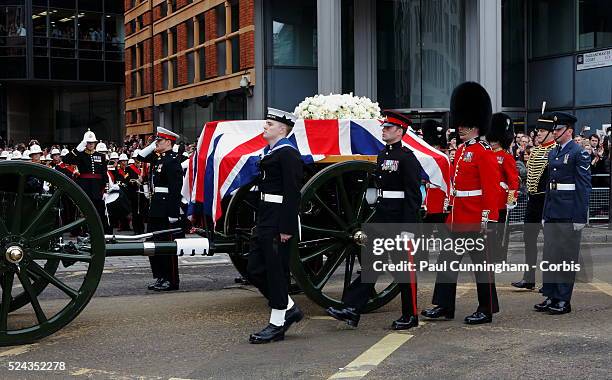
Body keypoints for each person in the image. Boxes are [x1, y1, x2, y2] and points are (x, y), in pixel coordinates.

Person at [326, 111, 423, 330]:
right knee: (371, 265)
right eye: (384, 127)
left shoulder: (407, 157)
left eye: (388, 128)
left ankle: (411, 315)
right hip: (381, 216)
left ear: (399, 131)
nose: (384, 130)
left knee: (403, 269)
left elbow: (413, 196)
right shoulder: (383, 155)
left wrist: (408, 227)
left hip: (399, 220)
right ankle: (351, 308)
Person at [421, 82, 501, 325]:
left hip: (476, 218)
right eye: (460, 124)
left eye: (465, 125)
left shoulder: (483, 152)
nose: (460, 128)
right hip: (457, 218)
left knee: (482, 267)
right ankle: (444, 305)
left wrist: (488, 219)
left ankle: (486, 309)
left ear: (477, 126)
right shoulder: (463, 151)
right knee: (447, 262)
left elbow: (491, 189)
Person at [246, 108, 304, 344]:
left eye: (269, 124)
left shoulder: (288, 154)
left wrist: (286, 227)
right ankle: (290, 307)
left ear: (282, 129)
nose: (265, 126)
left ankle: (277, 323)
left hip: (279, 219)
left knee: (277, 273)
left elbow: (292, 193)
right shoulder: (272, 153)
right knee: (255, 270)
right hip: (266, 217)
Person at [535, 112, 591, 315]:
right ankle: (550, 294)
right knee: (550, 256)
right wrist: (544, 213)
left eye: (558, 130)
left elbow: (583, 187)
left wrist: (580, 216)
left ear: (568, 131)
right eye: (554, 130)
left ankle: (563, 299)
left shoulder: (579, 152)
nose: (555, 133)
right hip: (553, 211)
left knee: (566, 257)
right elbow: (550, 185)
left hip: (568, 213)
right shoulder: (554, 152)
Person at [511, 115, 557, 290]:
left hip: (547, 200)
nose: (538, 133)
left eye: (543, 131)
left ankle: (549, 282)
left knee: (549, 244)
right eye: (538, 130)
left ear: (552, 134)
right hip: (533, 200)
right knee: (529, 241)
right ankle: (528, 278)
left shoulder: (555, 150)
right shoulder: (536, 150)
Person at [137, 128, 184, 292]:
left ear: (169, 142)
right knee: (152, 244)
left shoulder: (172, 160)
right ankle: (160, 276)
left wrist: (173, 214)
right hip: (155, 207)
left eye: (160, 141)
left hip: (165, 210)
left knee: (167, 246)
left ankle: (171, 279)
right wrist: (153, 146)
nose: (157, 143)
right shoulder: (159, 159)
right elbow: (139, 156)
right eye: (156, 141)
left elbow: (175, 189)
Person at [62, 129, 111, 234]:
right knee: (86, 210)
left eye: (92, 142)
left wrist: (106, 190)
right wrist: (79, 148)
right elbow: (66, 160)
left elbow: (104, 173)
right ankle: (85, 231)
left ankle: (100, 232)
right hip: (85, 186)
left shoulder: (101, 156)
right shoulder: (80, 155)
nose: (91, 144)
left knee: (99, 211)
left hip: (98, 187)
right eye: (88, 142)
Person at [486, 113, 519, 262]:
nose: (492, 142)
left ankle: (499, 257)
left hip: (500, 201)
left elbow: (513, 181)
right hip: (487, 200)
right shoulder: (486, 154)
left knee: (500, 232)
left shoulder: (506, 157)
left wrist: (511, 200)